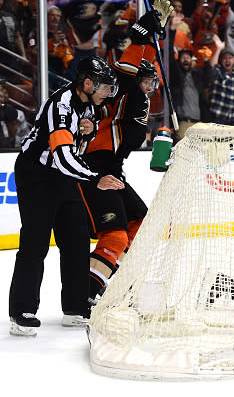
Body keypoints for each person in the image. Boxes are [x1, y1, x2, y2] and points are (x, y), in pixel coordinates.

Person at [8, 55, 124, 336]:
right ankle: (21, 311)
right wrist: (96, 178)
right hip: (36, 175)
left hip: (61, 177)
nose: (108, 92)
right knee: (35, 242)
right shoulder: (61, 106)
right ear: (87, 83)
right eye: (104, 87)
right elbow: (62, 157)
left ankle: (75, 307)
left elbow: (83, 132)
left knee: (76, 238)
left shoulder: (89, 104)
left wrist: (91, 128)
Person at [79, 3, 172, 305]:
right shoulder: (119, 91)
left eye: (152, 82)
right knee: (116, 237)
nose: (149, 87)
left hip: (113, 169)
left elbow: (138, 71)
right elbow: (127, 72)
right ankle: (85, 294)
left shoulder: (136, 96)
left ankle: (115, 284)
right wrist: (141, 38)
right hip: (95, 167)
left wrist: (153, 36)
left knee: (142, 226)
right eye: (146, 82)